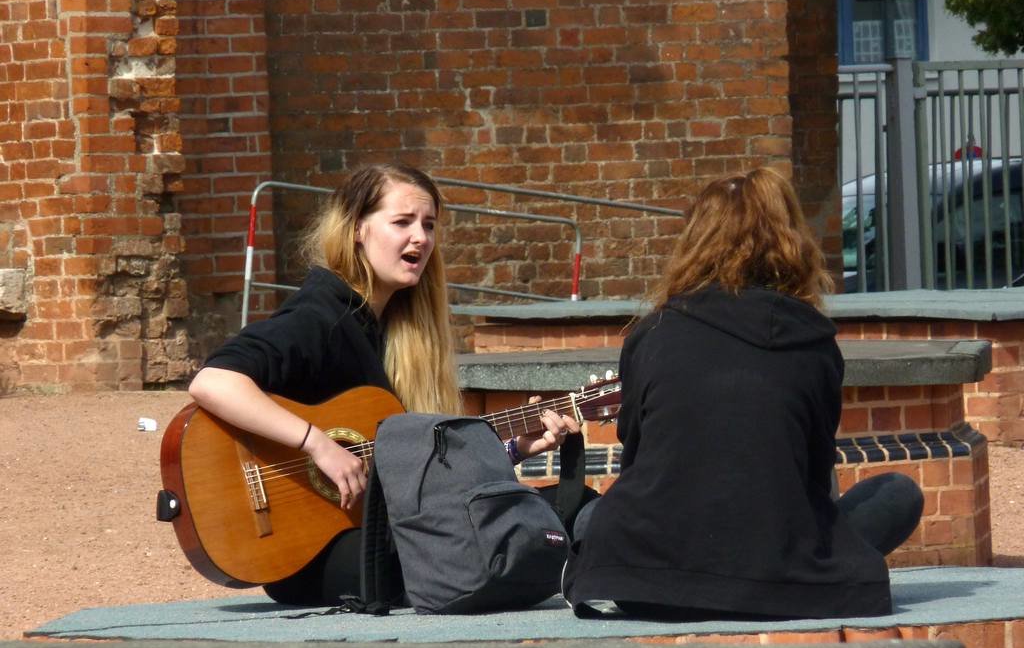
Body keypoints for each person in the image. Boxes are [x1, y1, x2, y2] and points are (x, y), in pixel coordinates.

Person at [189, 163, 579, 606]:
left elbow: (410, 469)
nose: (421, 238)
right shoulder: (321, 317)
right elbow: (214, 381)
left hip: (365, 535)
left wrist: (508, 451)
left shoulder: (392, 329)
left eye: (429, 225)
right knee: (487, 552)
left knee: (552, 517)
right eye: (402, 222)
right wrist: (318, 444)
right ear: (357, 230)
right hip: (313, 554)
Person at [562, 167, 923, 621]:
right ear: (791, 240)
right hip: (784, 579)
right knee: (899, 494)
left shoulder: (652, 333)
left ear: (695, 242)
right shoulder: (814, 342)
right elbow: (812, 473)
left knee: (591, 520)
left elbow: (636, 456)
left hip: (649, 580)